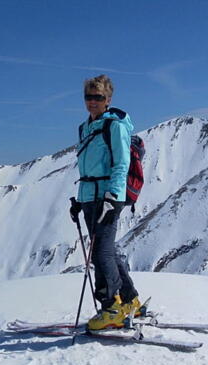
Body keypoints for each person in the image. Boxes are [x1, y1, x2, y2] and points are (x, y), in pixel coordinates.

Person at [69, 74, 142, 331]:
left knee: (101, 253)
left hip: (108, 198)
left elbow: (121, 164)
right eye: (88, 97)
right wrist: (80, 201)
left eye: (98, 97)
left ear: (108, 99)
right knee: (105, 250)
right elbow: (87, 168)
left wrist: (112, 198)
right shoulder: (84, 128)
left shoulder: (115, 126)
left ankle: (112, 307)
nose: (92, 101)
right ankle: (130, 301)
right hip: (90, 197)